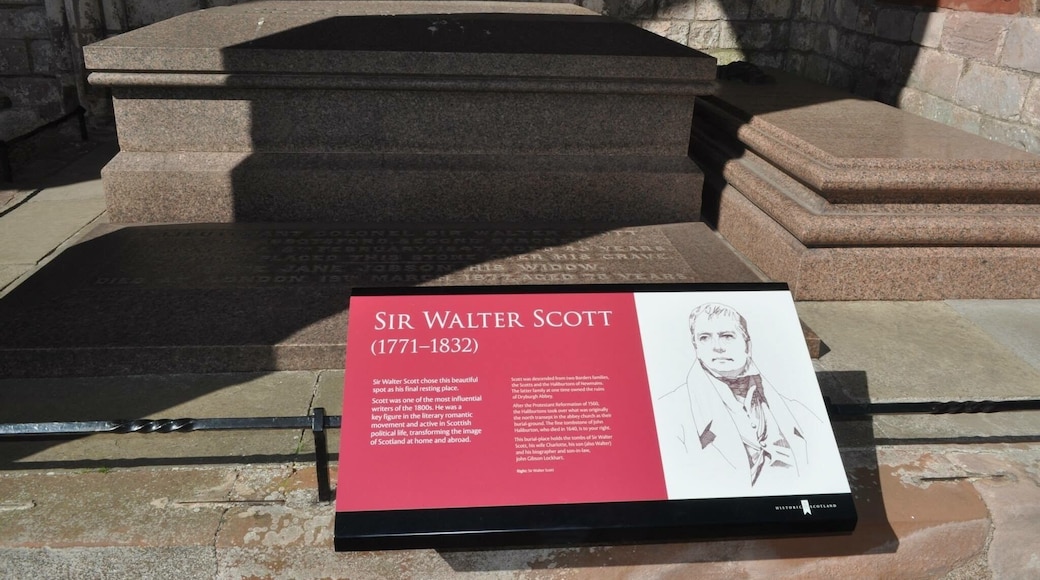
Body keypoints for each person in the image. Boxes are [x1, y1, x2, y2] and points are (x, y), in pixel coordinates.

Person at [655, 303, 823, 496]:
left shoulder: (796, 409)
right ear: (696, 347)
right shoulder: (669, 411)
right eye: (704, 338)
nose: (717, 347)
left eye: (727, 336)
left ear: (747, 345)